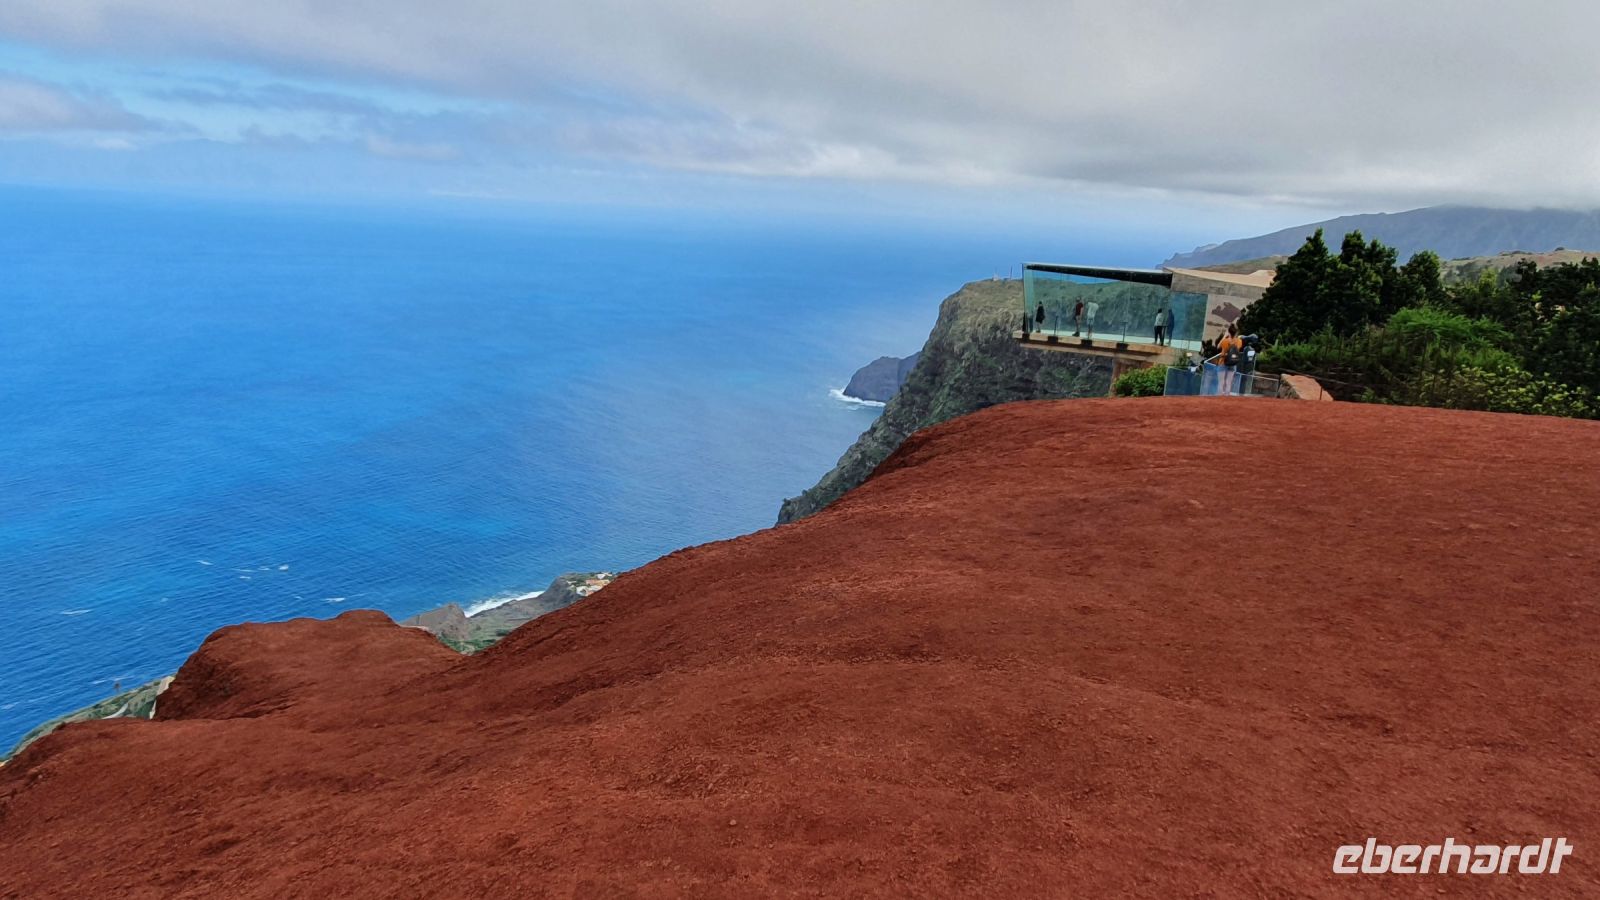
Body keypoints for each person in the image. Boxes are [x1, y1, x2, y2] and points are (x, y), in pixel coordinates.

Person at [1216, 324, 1244, 394]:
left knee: (1221, 383)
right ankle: (1226, 398)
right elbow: (1238, 348)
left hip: (1222, 362)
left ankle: (1219, 399)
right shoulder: (1239, 341)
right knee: (1228, 383)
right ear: (1236, 332)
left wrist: (1225, 336)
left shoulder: (1225, 341)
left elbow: (1218, 346)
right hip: (1233, 362)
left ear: (1229, 332)